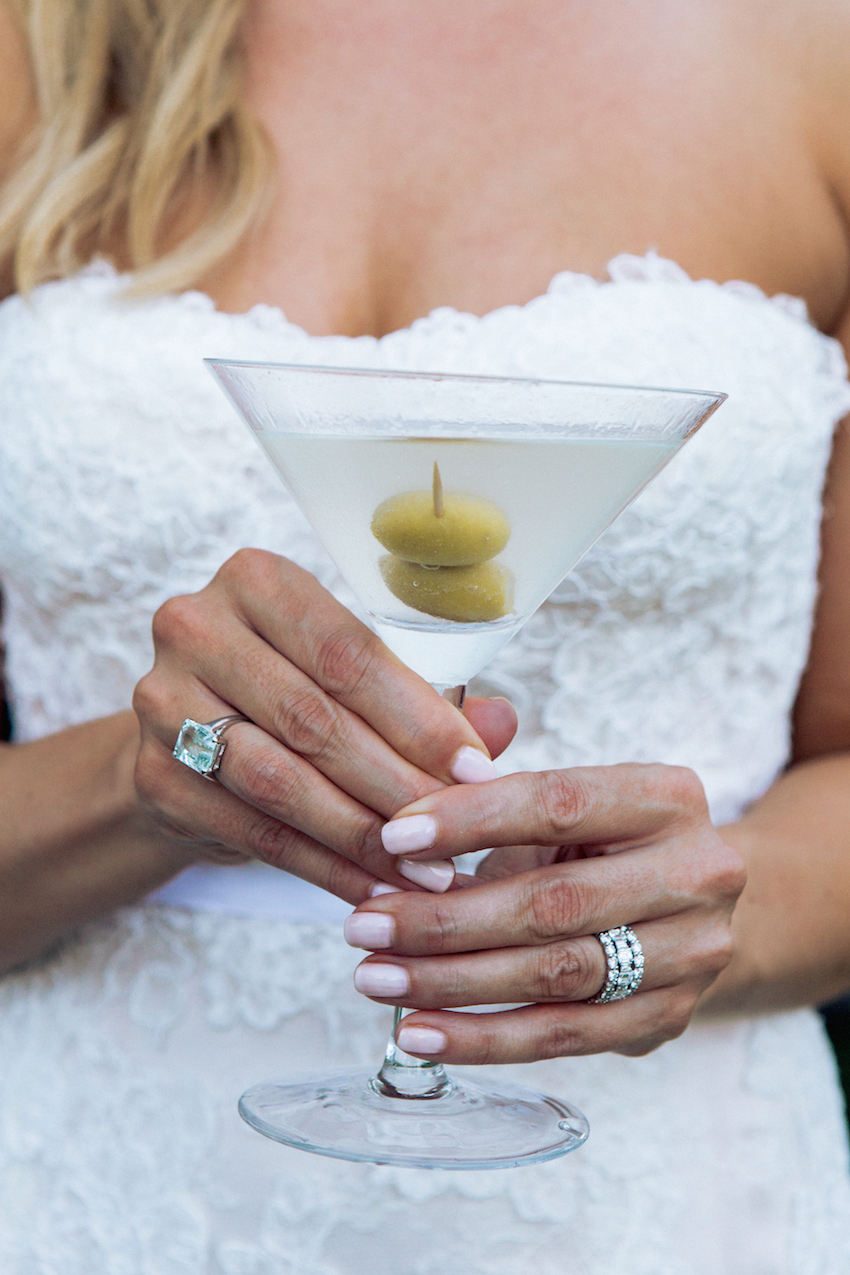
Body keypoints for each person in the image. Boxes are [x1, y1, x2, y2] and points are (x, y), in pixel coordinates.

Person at [1, 0, 849, 1270]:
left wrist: (705, 924)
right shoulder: (39, 35)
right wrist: (139, 783)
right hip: (91, 1188)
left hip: (654, 1199)